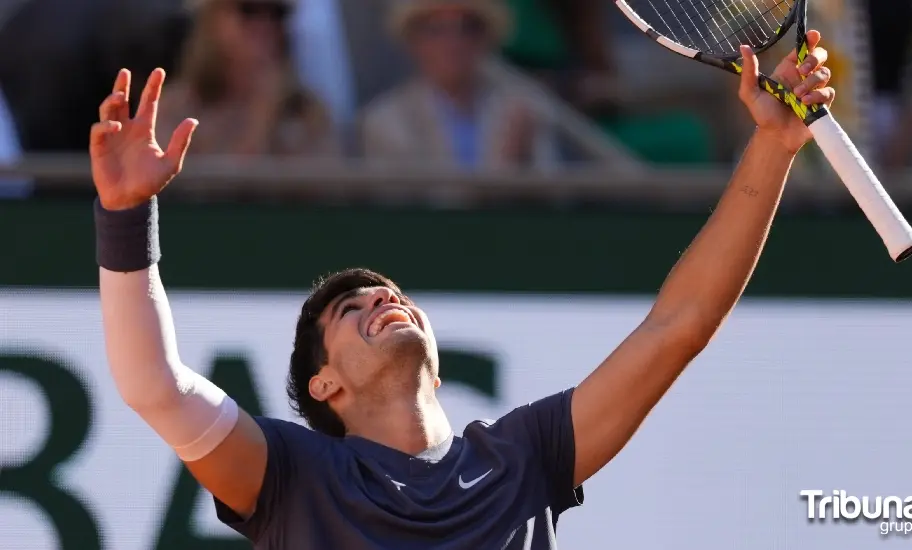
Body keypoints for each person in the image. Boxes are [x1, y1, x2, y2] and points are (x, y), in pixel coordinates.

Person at [89, 30, 835, 549]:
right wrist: (125, 217)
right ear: (325, 386)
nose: (385, 300)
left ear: (438, 364)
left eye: (392, 296)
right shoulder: (290, 477)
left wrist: (773, 145)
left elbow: (680, 325)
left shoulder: (527, 456)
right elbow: (153, 384)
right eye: (353, 309)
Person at [360, 0, 557, 171]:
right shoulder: (384, 122)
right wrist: (503, 165)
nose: (453, 42)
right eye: (436, 28)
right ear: (413, 41)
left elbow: (554, 195)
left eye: (467, 27)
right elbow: (405, 207)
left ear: (486, 38)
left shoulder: (523, 108)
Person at [156, 0, 337, 157]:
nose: (264, 24)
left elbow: (326, 188)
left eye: (277, 13)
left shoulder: (309, 113)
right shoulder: (177, 109)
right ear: (213, 19)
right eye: (248, 9)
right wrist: (258, 122)